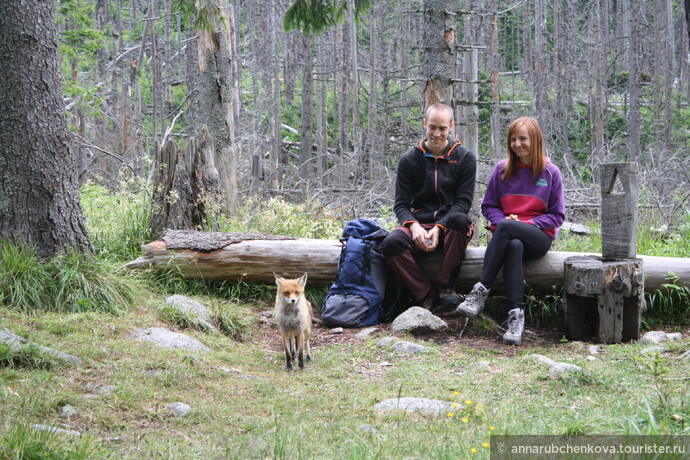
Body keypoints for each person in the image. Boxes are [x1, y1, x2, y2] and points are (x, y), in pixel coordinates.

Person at [455, 116, 565, 345]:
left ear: (535, 140)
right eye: (513, 139)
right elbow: (488, 206)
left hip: (538, 238)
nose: (517, 144)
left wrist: (525, 224)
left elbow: (557, 216)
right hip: (509, 237)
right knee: (513, 245)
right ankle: (516, 316)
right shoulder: (502, 170)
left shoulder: (551, 173)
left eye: (523, 139)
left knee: (507, 228)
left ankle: (481, 290)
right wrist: (505, 220)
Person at [380, 103, 476, 311]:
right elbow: (401, 204)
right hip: (418, 224)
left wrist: (439, 227)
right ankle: (424, 293)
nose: (437, 133)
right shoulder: (409, 160)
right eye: (432, 127)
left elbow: (463, 203)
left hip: (449, 225)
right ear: (425, 124)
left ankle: (446, 287)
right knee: (390, 243)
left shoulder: (465, 158)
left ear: (451, 127)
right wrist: (414, 226)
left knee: (460, 220)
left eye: (442, 128)